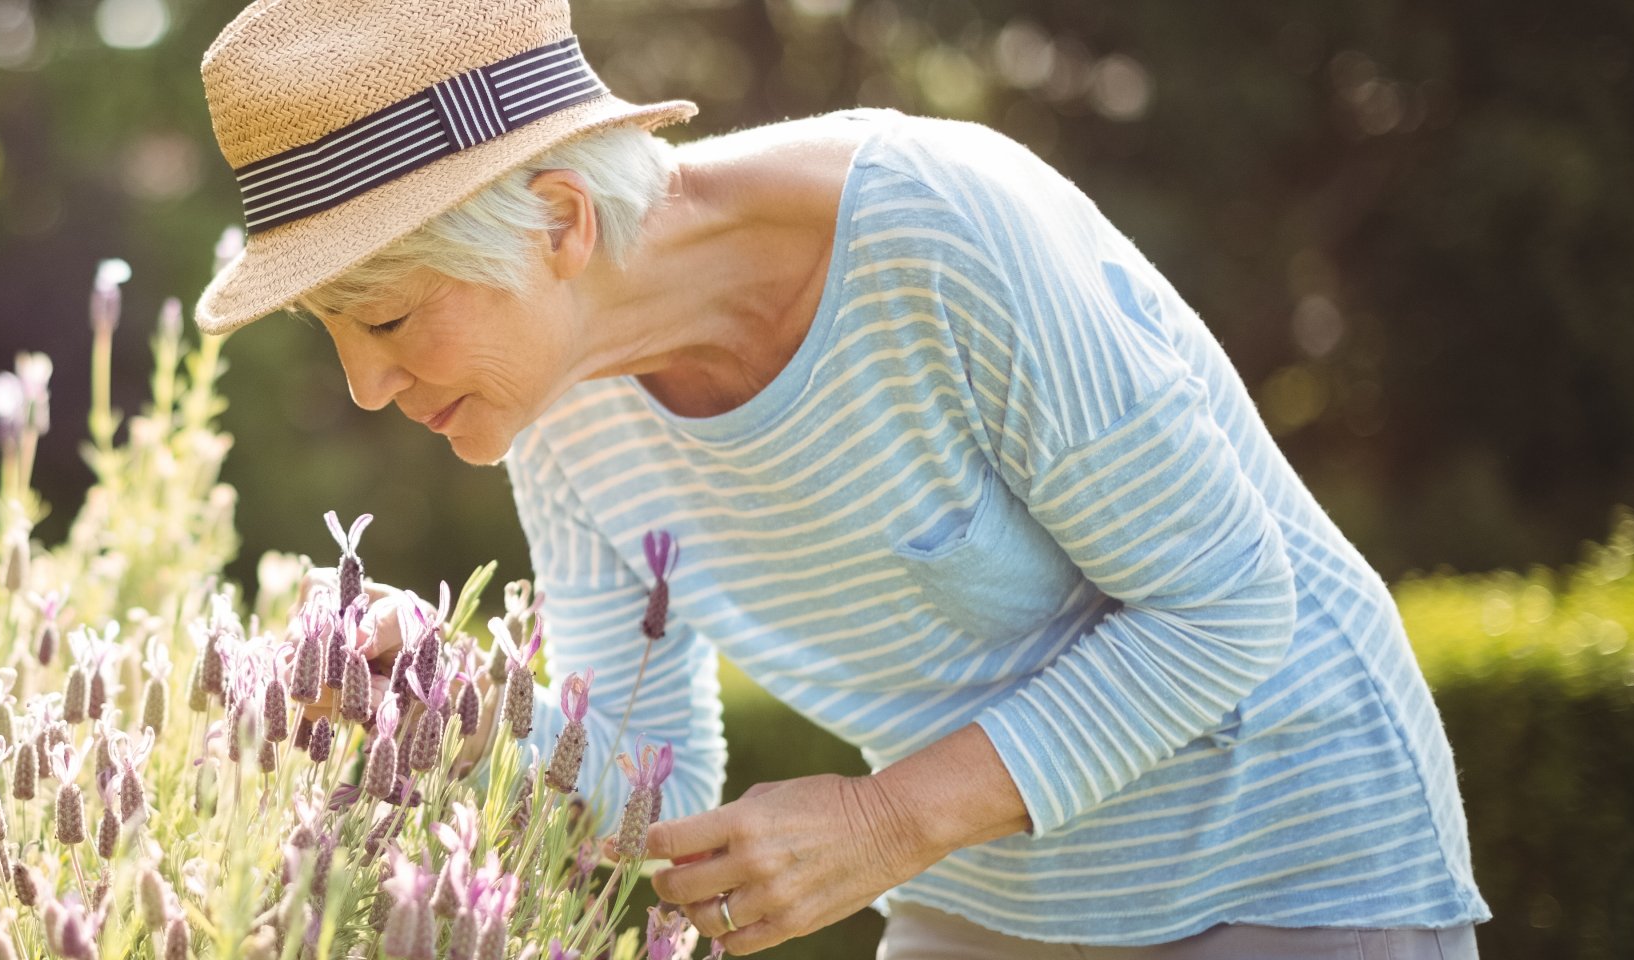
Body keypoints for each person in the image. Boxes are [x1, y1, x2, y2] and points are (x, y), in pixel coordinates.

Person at [194, 0, 1494, 956]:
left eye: (390, 322)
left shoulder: (940, 231)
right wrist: (456, 700)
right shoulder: (561, 418)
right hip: (984, 895)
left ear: (558, 224)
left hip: (1292, 866)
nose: (367, 389)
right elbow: (654, 783)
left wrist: (884, 822)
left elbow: (1224, 609)